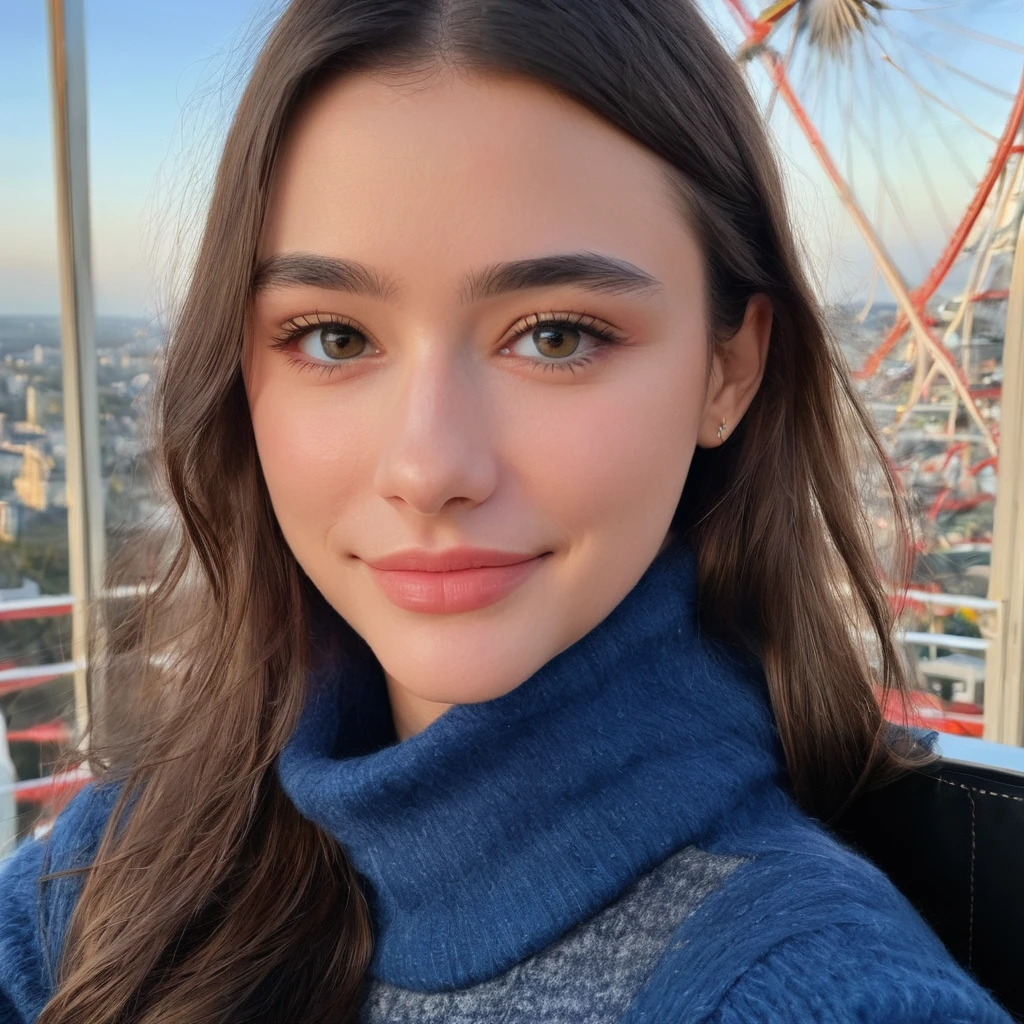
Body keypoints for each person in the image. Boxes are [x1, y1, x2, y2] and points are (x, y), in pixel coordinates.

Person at [0, 0, 1014, 1021]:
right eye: (334, 338)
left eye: (557, 337)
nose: (429, 465)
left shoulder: (825, 991)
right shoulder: (120, 871)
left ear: (729, 368)